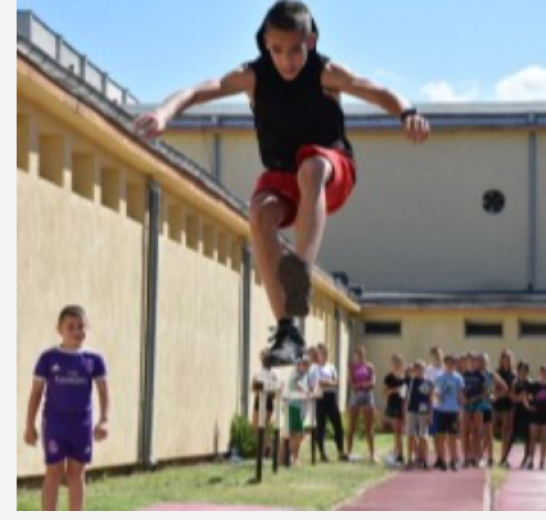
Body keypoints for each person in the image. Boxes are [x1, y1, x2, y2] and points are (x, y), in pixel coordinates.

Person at [133, 0, 431, 367]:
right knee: (259, 213)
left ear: (312, 41)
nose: (287, 60)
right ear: (265, 45)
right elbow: (198, 90)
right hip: (281, 176)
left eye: (295, 50)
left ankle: (300, 269)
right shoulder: (253, 75)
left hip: (331, 169)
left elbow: (371, 88)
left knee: (311, 166)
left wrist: (407, 112)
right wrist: (165, 113)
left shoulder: (326, 72)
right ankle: (288, 330)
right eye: (276, 50)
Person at [23, 305, 109, 511]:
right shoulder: (48, 358)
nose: (77, 331)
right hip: (54, 424)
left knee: (76, 473)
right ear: (59, 329)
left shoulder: (94, 360)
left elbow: (104, 392)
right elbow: (35, 394)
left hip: (81, 425)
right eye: (70, 327)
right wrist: (29, 426)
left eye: (81, 326)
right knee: (53, 472)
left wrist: (104, 420)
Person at [312, 344, 345, 461]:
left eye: (325, 353)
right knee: (321, 426)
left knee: (338, 424)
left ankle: (341, 451)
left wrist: (329, 382)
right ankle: (322, 453)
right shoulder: (314, 368)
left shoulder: (331, 367)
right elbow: (316, 382)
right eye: (321, 353)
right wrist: (326, 382)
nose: (323, 355)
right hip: (320, 397)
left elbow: (336, 382)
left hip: (331, 396)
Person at [433, 355, 465, 471]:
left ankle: (453, 460)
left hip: (453, 410)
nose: (450, 365)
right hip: (441, 410)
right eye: (448, 363)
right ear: (444, 364)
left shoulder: (458, 378)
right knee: (441, 435)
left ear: (455, 364)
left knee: (453, 436)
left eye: (452, 363)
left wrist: (461, 409)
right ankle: (442, 460)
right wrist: (438, 397)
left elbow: (460, 395)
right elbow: (435, 392)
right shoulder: (439, 377)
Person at [346, 346, 376, 462]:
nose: (360, 356)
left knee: (369, 427)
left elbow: (373, 382)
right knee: (351, 426)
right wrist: (362, 385)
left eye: (362, 354)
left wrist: (362, 385)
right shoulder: (352, 367)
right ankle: (348, 452)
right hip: (355, 396)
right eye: (357, 354)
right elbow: (351, 384)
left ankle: (372, 453)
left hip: (368, 396)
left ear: (365, 354)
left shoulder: (370, 366)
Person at [526, 364, 546, 470]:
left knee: (544, 439)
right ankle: (531, 460)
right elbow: (525, 395)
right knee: (533, 438)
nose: (544, 374)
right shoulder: (534, 385)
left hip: (545, 415)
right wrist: (528, 406)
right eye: (543, 372)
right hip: (534, 414)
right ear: (540, 372)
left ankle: (542, 461)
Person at [404, 360, 433, 470]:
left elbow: (431, 399)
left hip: (424, 411)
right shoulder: (409, 381)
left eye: (421, 369)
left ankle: (424, 459)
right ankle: (410, 458)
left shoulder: (428, 383)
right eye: (417, 369)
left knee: (423, 436)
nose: (419, 371)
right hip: (411, 410)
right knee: (410, 435)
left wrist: (431, 413)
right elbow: (404, 395)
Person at [383, 354, 408, 465]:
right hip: (394, 405)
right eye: (395, 363)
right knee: (397, 430)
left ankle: (398, 452)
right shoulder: (389, 377)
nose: (397, 365)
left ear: (402, 364)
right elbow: (384, 392)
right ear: (392, 364)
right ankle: (399, 454)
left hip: (405, 405)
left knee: (402, 431)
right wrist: (395, 390)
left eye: (399, 362)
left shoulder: (406, 377)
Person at [493, 350, 516, 467]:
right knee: (492, 430)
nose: (506, 360)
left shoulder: (514, 375)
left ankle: (504, 458)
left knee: (506, 432)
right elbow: (493, 389)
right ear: (501, 360)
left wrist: (505, 393)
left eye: (508, 358)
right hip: (497, 404)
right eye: (504, 358)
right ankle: (489, 457)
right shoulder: (496, 373)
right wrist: (500, 394)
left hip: (509, 405)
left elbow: (513, 391)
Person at [424, 346, 445, 468]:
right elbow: (426, 388)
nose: (437, 356)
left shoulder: (446, 369)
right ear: (431, 356)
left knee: (444, 433)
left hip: (446, 406)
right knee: (435, 433)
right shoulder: (428, 370)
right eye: (434, 354)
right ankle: (439, 457)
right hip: (433, 405)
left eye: (439, 354)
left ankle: (444, 457)